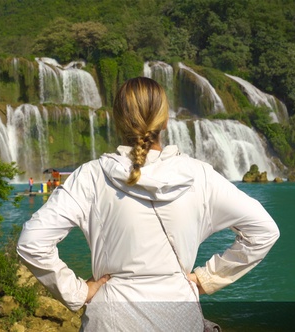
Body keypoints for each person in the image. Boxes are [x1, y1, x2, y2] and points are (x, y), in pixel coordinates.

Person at [17, 77, 280, 331]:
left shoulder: (91, 176)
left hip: (111, 320)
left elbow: (32, 243)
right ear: (165, 121)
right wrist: (206, 279)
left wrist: (79, 291)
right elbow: (264, 231)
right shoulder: (199, 175)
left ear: (118, 120)